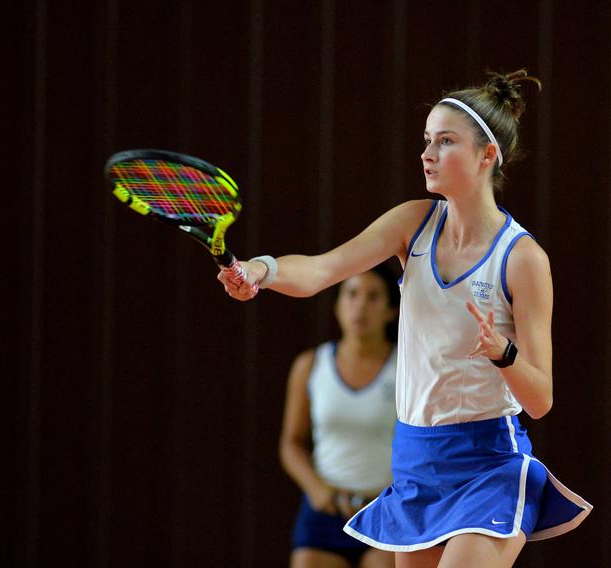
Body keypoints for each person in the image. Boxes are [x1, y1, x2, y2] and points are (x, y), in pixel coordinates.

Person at [221, 69, 592, 568]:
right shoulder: (413, 223)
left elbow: (541, 399)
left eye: (445, 142)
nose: (427, 154)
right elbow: (321, 270)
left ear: (487, 156)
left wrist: (502, 354)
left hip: (487, 463)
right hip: (415, 462)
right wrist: (260, 270)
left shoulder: (523, 258)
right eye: (426, 141)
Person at [280, 265, 399, 568]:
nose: (360, 306)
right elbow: (291, 444)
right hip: (325, 509)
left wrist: (396, 493)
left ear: (391, 311)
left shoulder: (407, 368)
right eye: (352, 294)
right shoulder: (310, 365)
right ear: (337, 306)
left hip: (385, 509)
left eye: (373, 297)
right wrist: (318, 490)